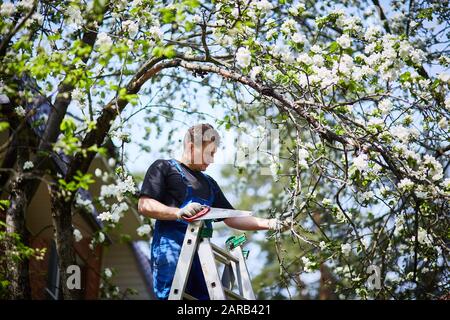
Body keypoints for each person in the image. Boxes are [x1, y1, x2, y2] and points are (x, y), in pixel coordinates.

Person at [137, 123, 289, 300]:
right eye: (210, 153)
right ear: (192, 147)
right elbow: (144, 204)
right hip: (172, 249)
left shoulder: (209, 184)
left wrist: (271, 223)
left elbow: (231, 218)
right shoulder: (164, 168)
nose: (212, 160)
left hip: (202, 254)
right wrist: (178, 213)